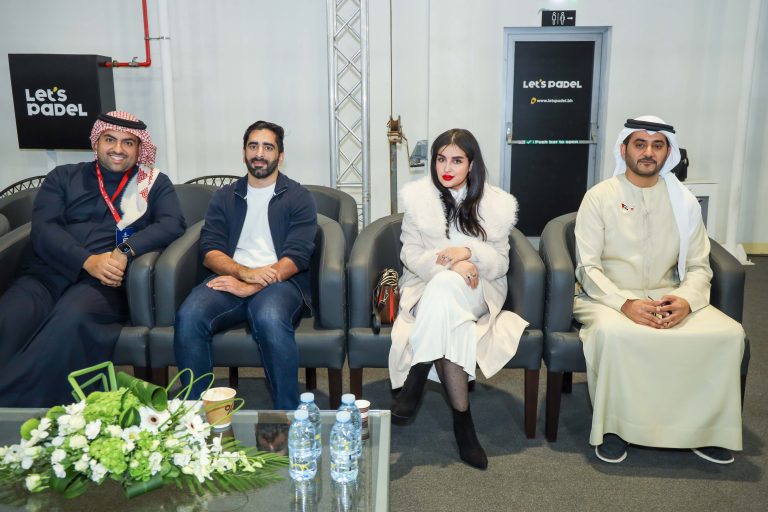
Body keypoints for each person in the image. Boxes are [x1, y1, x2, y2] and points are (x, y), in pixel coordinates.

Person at [574, 115, 745, 465]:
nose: (648, 153)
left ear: (668, 152)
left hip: (668, 294)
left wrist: (685, 301)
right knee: (615, 334)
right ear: (624, 149)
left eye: (657, 145)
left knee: (728, 333)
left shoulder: (684, 202)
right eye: (640, 144)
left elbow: (699, 266)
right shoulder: (599, 197)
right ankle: (616, 429)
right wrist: (625, 303)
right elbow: (587, 268)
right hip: (605, 296)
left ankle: (705, 430)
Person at [0, 111, 186, 406]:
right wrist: (86, 261)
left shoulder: (153, 183)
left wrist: (125, 250)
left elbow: (172, 224)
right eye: (110, 140)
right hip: (47, 274)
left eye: (128, 143)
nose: (118, 149)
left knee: (70, 321)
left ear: (139, 149)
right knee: (10, 317)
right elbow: (45, 229)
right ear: (96, 142)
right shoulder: (63, 177)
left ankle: (19, 406)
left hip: (105, 283)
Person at [389, 128, 528, 469]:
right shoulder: (419, 200)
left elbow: (500, 264)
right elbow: (410, 255)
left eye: (456, 160)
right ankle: (463, 423)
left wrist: (468, 252)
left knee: (448, 289)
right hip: (427, 285)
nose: (446, 168)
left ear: (471, 164)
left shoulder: (496, 204)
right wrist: (452, 265)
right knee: (446, 294)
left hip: (480, 289)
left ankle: (417, 373)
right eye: (440, 159)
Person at [174, 120, 317, 410]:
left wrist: (251, 285)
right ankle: (195, 415)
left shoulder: (298, 197)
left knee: (270, 319)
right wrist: (243, 275)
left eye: (268, 147)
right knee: (189, 316)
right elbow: (210, 250)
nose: (259, 153)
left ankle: (288, 415)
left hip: (280, 283)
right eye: (253, 146)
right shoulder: (225, 196)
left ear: (280, 155)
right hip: (231, 276)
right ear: (243, 153)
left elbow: (297, 256)